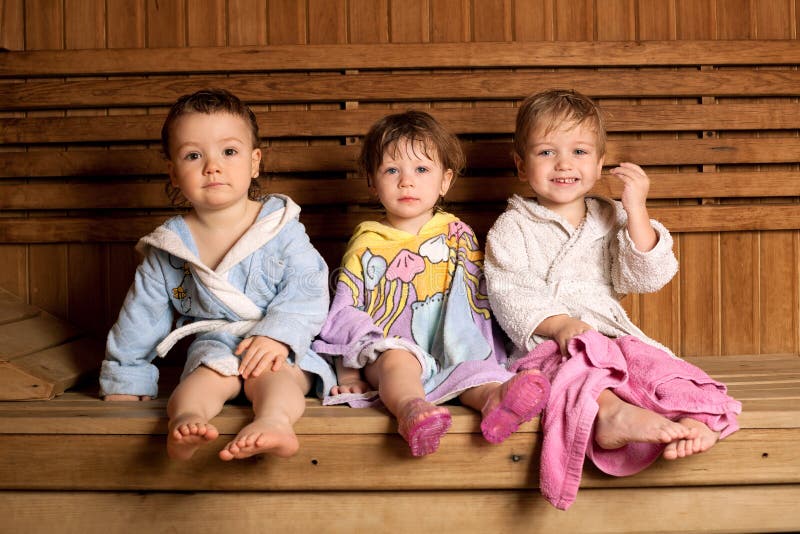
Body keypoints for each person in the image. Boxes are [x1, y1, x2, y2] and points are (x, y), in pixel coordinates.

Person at [484, 89, 741, 509]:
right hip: (548, 340)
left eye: (579, 151)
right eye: (547, 151)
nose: (564, 163)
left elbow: (646, 274)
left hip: (613, 333)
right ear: (521, 164)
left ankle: (701, 416)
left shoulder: (609, 214)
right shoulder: (512, 227)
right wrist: (559, 324)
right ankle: (610, 415)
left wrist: (635, 208)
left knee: (657, 367)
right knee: (572, 371)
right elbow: (509, 291)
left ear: (600, 164)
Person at [99, 88, 336, 462]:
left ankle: (275, 422)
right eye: (194, 155)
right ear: (174, 173)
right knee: (201, 380)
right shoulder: (170, 247)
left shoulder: (280, 227)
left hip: (279, 347)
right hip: (216, 344)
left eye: (229, 151)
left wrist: (277, 335)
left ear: (254, 162)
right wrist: (126, 377)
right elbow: (140, 317)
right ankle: (186, 423)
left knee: (274, 379)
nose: (213, 166)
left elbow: (308, 287)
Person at [312, 110, 550, 457]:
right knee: (399, 361)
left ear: (445, 180)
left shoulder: (459, 236)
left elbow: (481, 300)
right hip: (392, 353)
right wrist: (348, 374)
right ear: (372, 182)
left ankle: (494, 402)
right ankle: (411, 409)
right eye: (392, 170)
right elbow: (345, 312)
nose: (406, 181)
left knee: (477, 369)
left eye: (421, 169)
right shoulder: (366, 244)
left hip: (452, 349)